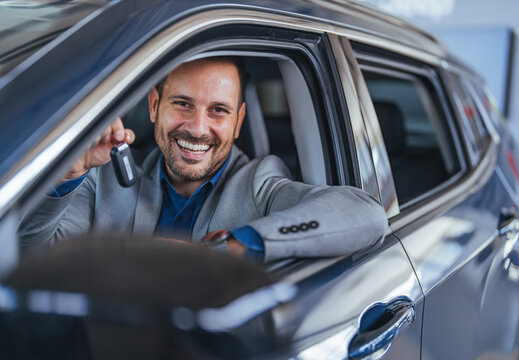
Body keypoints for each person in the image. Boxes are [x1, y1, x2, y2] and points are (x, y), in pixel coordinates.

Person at [19, 57, 387, 262]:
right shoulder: (104, 177)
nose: (197, 128)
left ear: (238, 121)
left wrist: (230, 248)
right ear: (154, 106)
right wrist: (66, 174)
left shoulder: (259, 182)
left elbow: (367, 214)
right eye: (182, 104)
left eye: (218, 111)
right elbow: (30, 259)